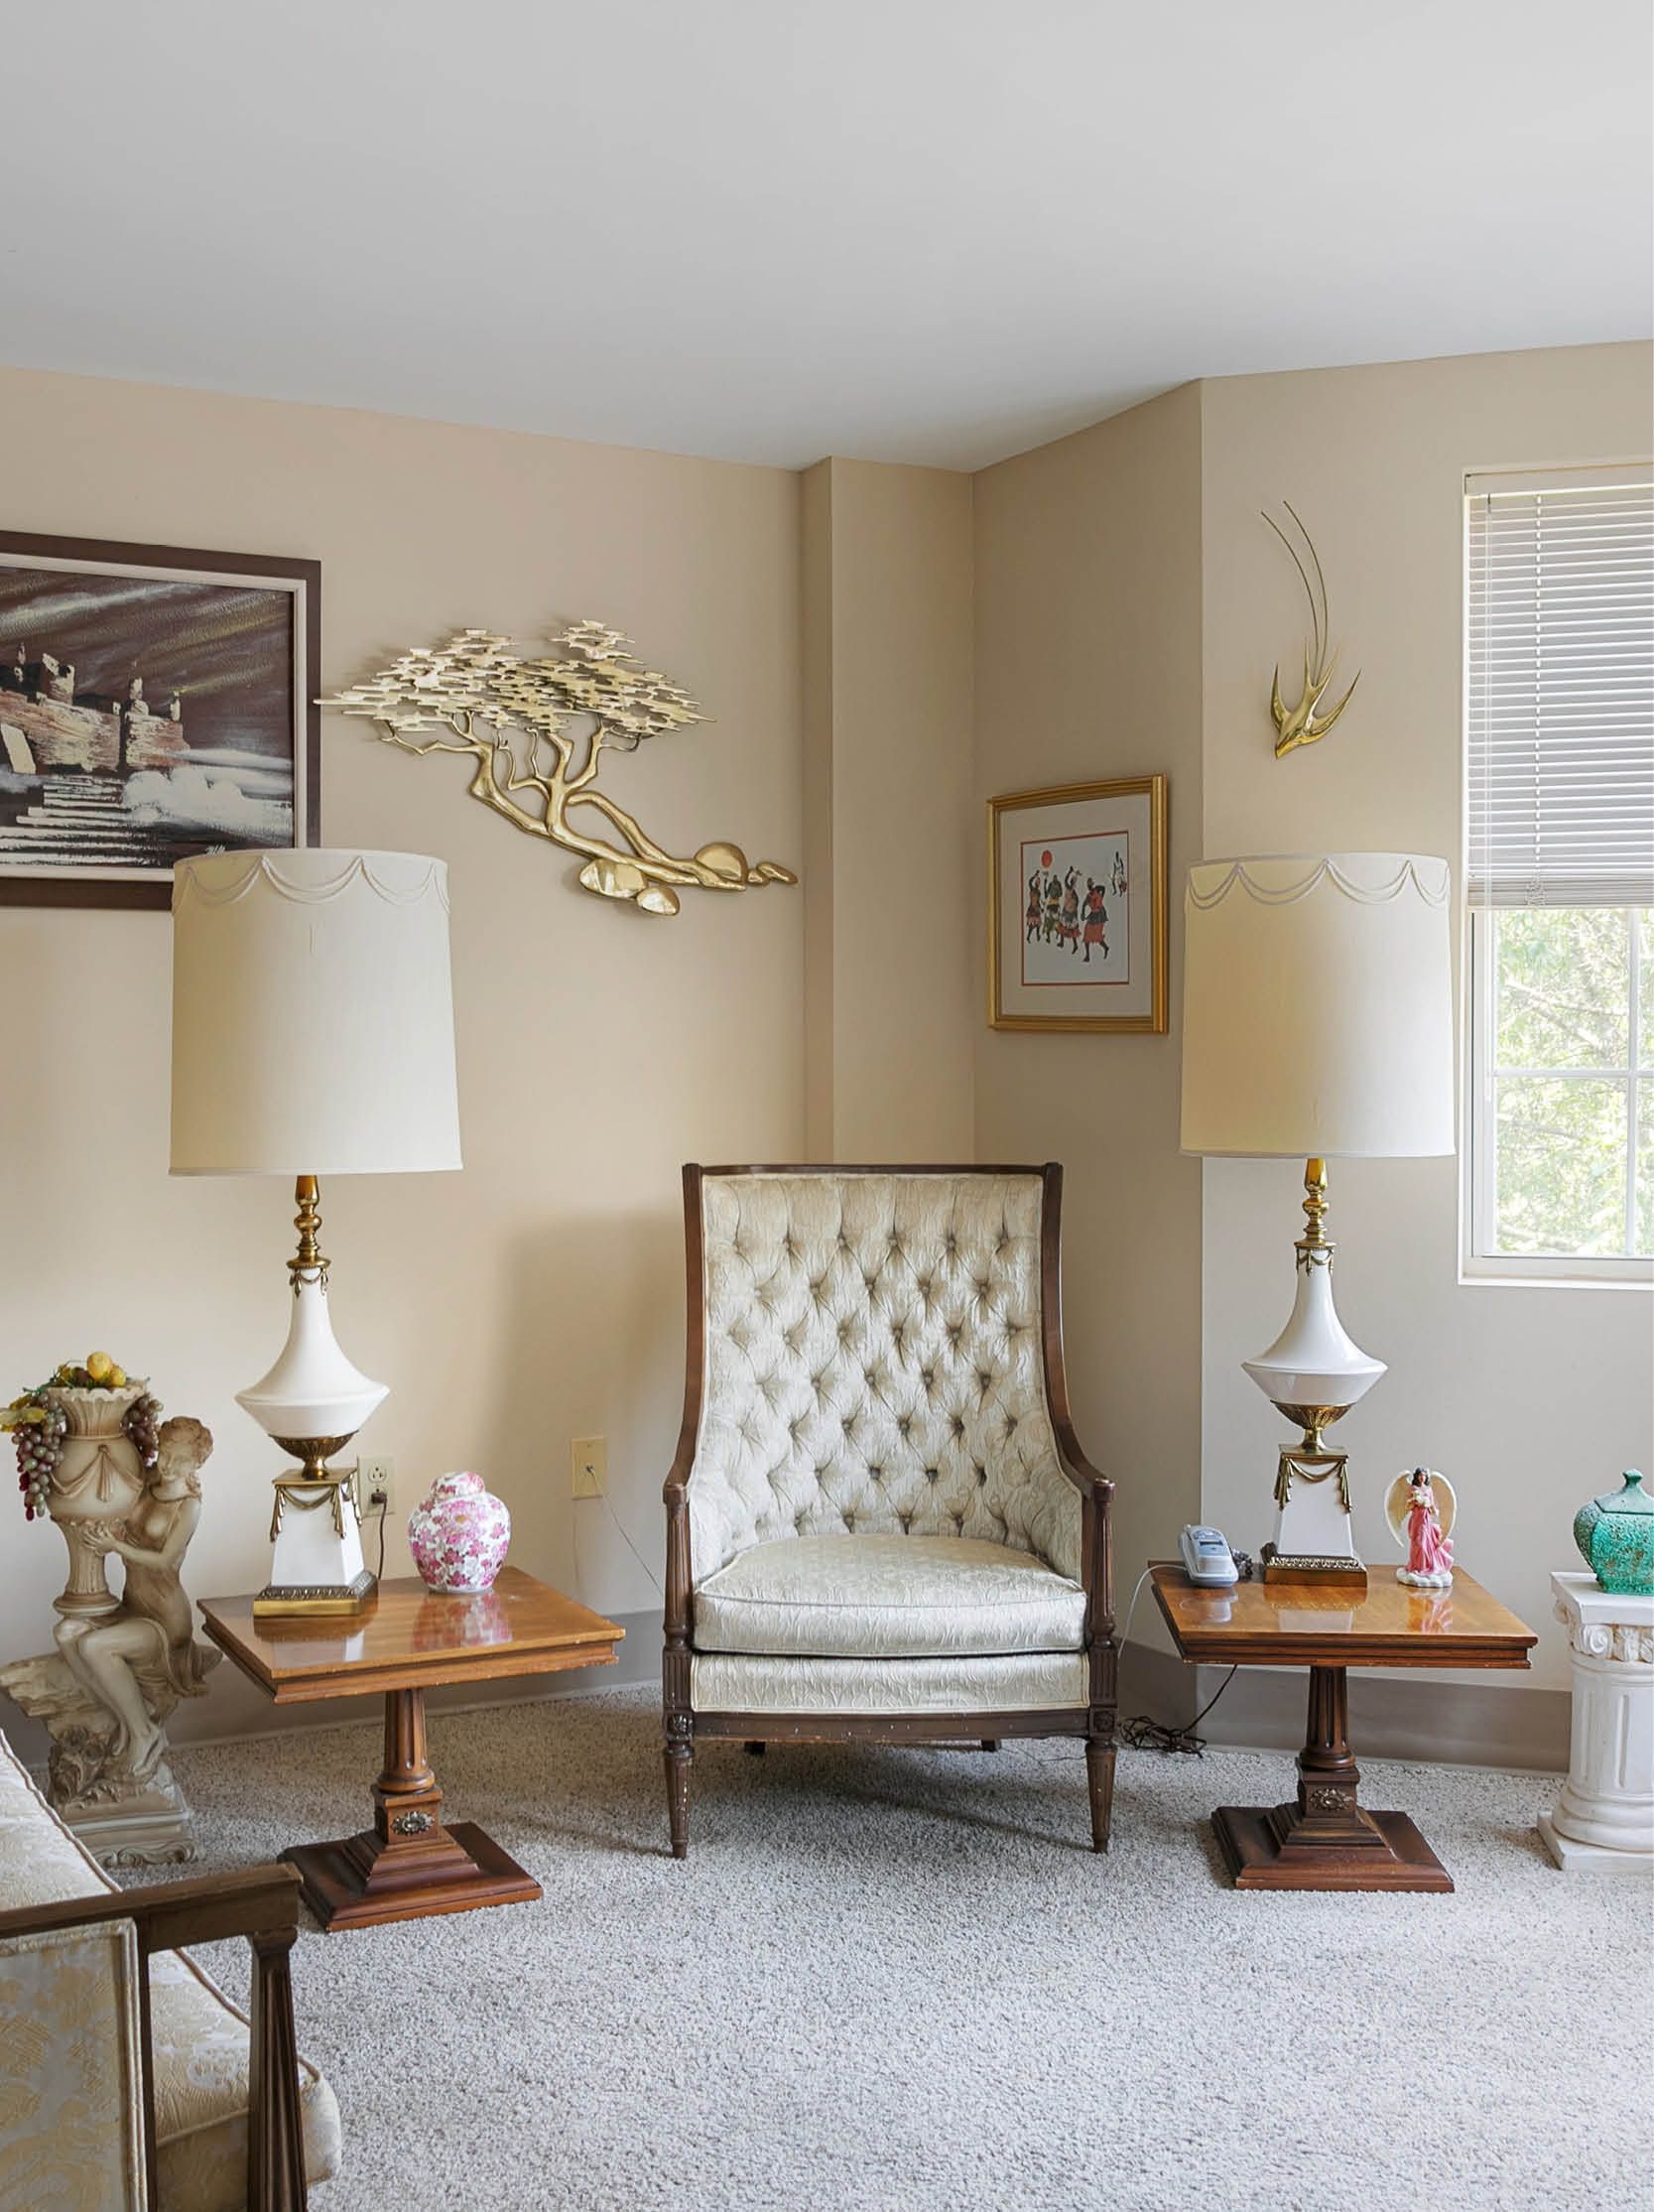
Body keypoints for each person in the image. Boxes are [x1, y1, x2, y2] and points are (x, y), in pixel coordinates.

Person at [56, 1417, 215, 1784]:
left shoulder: (189, 1507)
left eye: (180, 1459)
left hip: (163, 1618)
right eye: (166, 1454)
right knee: (66, 1633)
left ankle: (143, 1733)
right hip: (132, 1606)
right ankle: (133, 1718)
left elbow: (163, 1560)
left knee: (95, 1645)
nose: (168, 1464)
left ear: (196, 1464)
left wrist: (115, 1546)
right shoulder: (145, 1484)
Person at [1402, 1467, 1454, 1582]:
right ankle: (1417, 1566)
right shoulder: (1413, 1488)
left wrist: (1428, 1504)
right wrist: (1413, 1502)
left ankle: (1424, 1567)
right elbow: (1407, 1507)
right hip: (1416, 1519)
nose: (1422, 1477)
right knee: (1416, 1543)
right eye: (1420, 1475)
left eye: (1424, 1475)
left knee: (1423, 1543)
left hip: (1425, 1520)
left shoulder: (1429, 1490)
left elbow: (1432, 1507)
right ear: (1417, 1476)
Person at [1081, 880, 1108, 965]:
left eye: (1090, 885)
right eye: (1088, 885)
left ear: (1092, 885)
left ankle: (1105, 947)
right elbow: (1084, 904)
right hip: (1093, 915)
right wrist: (1082, 913)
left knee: (1097, 935)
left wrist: (1101, 895)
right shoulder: (1088, 896)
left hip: (1100, 915)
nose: (1089, 887)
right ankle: (1087, 956)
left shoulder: (1097, 891)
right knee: (1087, 933)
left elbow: (1103, 888)